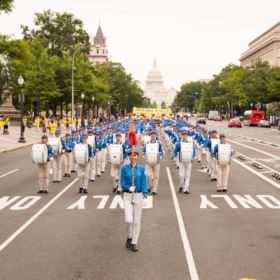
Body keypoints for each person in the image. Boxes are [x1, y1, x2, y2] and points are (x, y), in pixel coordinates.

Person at [121, 148, 148, 252]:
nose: (133, 157)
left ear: (138, 156)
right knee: (128, 220)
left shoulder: (141, 168)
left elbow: (144, 183)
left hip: (138, 195)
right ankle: (129, 236)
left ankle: (134, 242)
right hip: (128, 196)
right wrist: (128, 187)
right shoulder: (124, 168)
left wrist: (145, 195)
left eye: (135, 155)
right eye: (131, 155)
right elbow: (122, 184)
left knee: (136, 221)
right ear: (128, 156)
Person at [143, 130, 163, 195]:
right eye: (152, 134)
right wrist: (144, 155)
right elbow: (144, 151)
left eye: (154, 134)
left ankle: (154, 189)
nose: (153, 135)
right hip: (148, 162)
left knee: (156, 176)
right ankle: (150, 186)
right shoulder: (147, 143)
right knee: (148, 175)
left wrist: (161, 156)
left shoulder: (158, 143)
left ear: (156, 135)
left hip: (156, 162)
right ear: (150, 135)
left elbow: (161, 151)